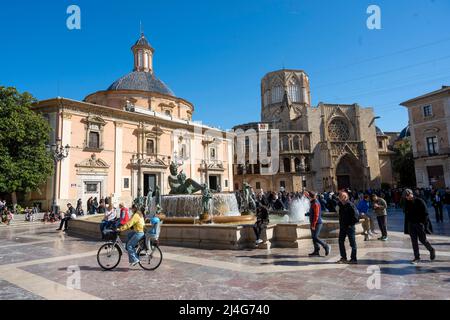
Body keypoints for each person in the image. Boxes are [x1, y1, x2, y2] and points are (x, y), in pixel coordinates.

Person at [403, 189, 436, 264]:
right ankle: (417, 257)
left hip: (419, 224)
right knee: (414, 241)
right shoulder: (406, 202)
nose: (407, 197)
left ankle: (431, 250)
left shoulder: (419, 201)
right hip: (411, 224)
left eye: (408, 195)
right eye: (405, 196)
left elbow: (426, 213)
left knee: (423, 240)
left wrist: (423, 223)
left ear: (412, 194)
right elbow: (406, 213)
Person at [336, 191, 359, 264]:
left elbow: (356, 216)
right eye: (339, 196)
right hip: (343, 226)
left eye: (341, 196)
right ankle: (343, 258)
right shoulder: (340, 205)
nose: (339, 197)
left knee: (352, 243)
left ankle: (353, 259)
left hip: (349, 227)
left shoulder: (350, 205)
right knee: (340, 241)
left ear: (345, 197)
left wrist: (350, 224)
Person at [306, 191, 330, 257]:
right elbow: (314, 212)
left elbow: (316, 215)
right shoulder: (313, 202)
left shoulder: (315, 203)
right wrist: (308, 213)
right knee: (313, 238)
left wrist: (313, 225)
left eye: (309, 197)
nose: (308, 198)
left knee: (315, 237)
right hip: (314, 223)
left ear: (311, 197)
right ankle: (316, 251)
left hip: (317, 223)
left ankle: (326, 246)